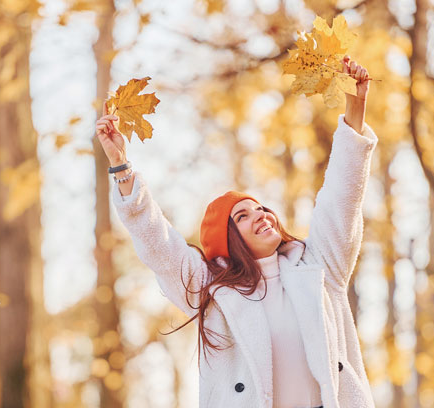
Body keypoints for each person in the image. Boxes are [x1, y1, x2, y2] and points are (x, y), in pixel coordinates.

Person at [95, 56, 377, 408]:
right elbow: (159, 245)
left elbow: (342, 197)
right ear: (227, 242)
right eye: (242, 216)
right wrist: (121, 166)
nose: (261, 215)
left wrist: (356, 106)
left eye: (260, 207)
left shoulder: (320, 267)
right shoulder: (211, 294)